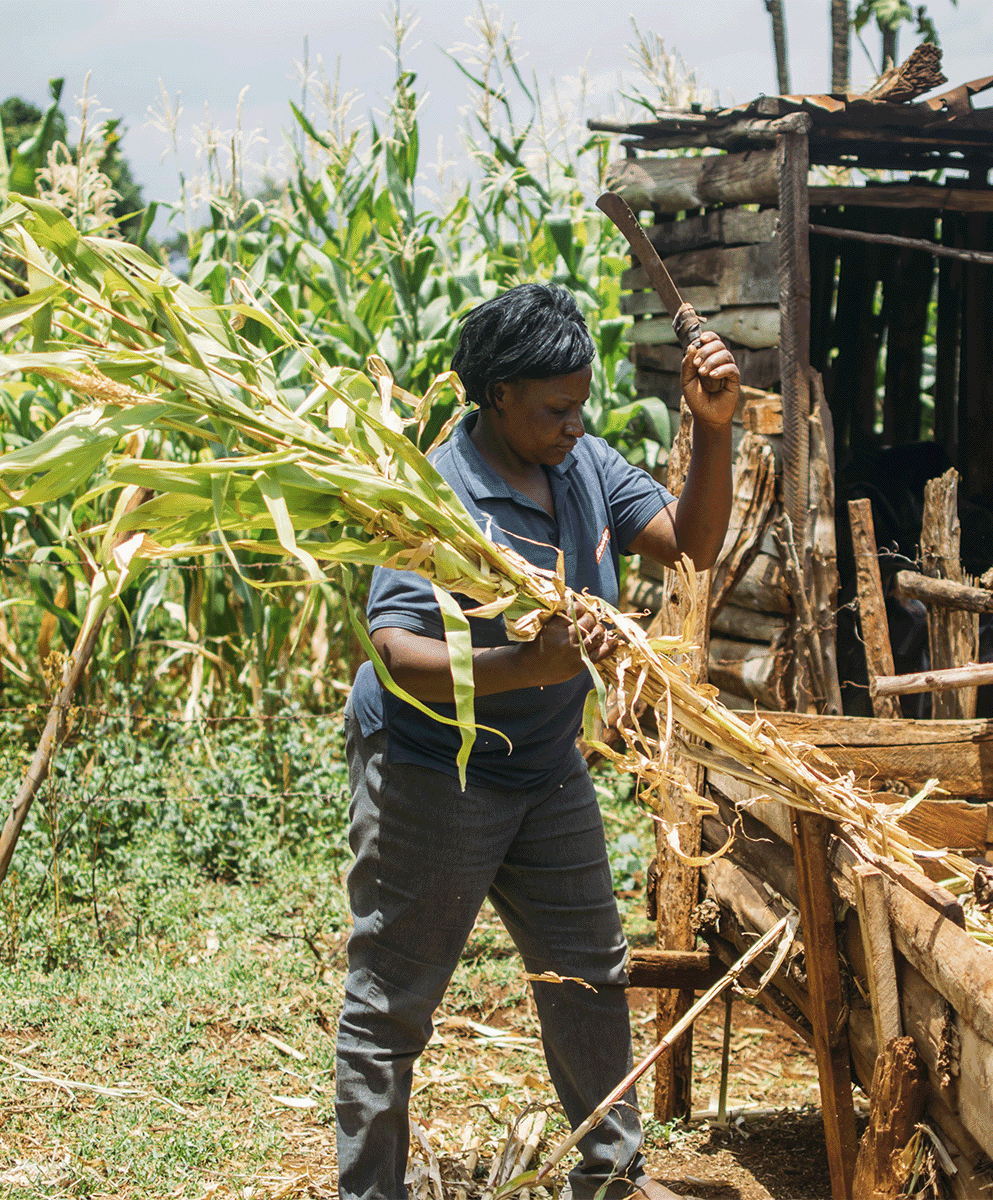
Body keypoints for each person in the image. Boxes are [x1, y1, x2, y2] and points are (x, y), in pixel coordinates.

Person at [337, 283, 738, 1200]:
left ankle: (613, 1175)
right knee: (393, 1001)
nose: (572, 424)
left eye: (580, 405)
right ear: (498, 395)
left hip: (547, 767)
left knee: (587, 972)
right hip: (434, 768)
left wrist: (712, 428)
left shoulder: (585, 467)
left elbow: (692, 542)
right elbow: (395, 650)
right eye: (555, 408)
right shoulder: (438, 494)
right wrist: (530, 662)